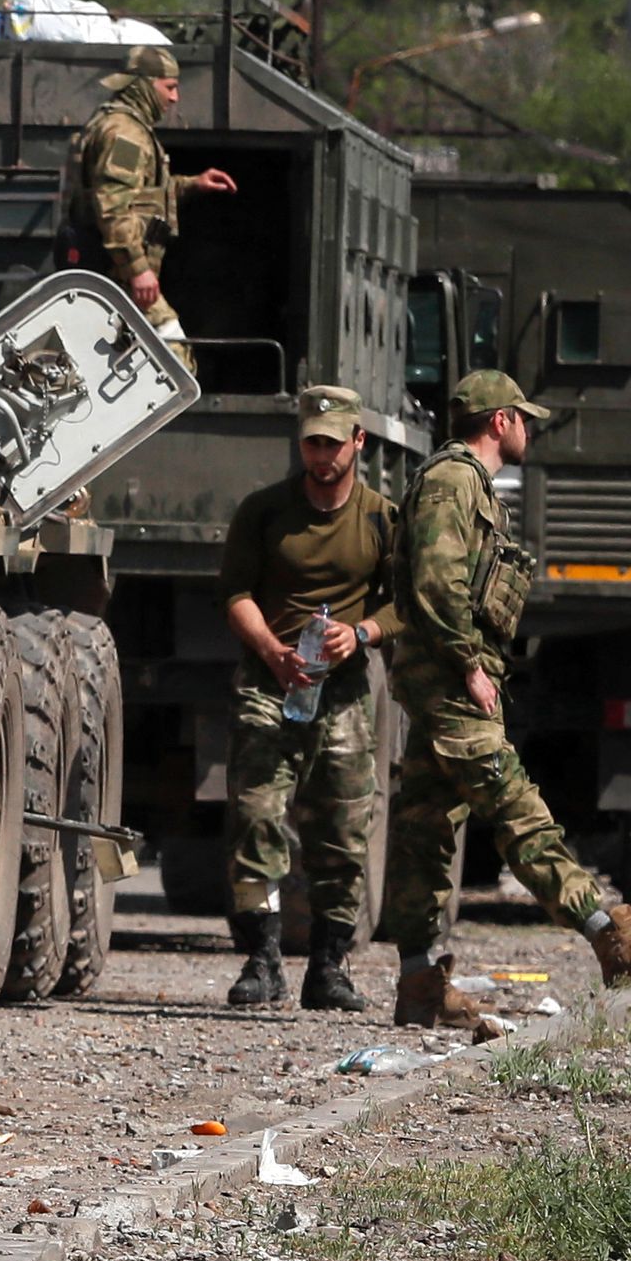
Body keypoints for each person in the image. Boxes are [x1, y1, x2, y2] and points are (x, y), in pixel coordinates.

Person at [379, 369, 631, 1031]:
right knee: (518, 808)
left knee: (422, 833)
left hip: (438, 686)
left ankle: (419, 984)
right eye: (523, 417)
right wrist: (469, 666)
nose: (530, 429)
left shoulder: (465, 482)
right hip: (450, 687)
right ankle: (611, 938)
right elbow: (436, 584)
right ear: (500, 421)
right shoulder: (452, 481)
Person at [214, 386, 399, 1010]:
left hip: (342, 691)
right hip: (271, 682)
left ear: (358, 442)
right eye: (312, 443)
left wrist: (362, 633)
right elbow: (236, 593)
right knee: (256, 814)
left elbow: (404, 603)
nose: (322, 456)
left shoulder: (380, 519)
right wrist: (273, 651)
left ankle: (329, 967)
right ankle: (262, 959)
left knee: (344, 827)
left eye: (333, 444)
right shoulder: (265, 511)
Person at [68, 43, 236, 367]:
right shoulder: (125, 136)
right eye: (169, 87)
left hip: (116, 274)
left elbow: (141, 195)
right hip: (117, 274)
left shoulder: (126, 127)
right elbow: (113, 207)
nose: (175, 98)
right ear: (145, 85)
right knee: (176, 362)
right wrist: (138, 270)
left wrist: (193, 184)